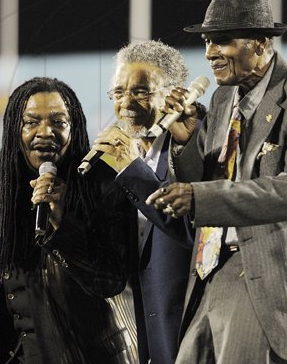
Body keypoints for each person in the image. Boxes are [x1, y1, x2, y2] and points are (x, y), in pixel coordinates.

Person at [146, 0, 287, 363]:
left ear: (260, 42)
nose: (209, 54)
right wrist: (186, 142)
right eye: (206, 41)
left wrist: (200, 197)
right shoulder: (222, 99)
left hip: (269, 276)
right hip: (209, 271)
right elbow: (202, 182)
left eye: (222, 41)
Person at [0, 77, 135, 364]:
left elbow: (111, 281)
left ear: (75, 127)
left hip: (86, 356)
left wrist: (62, 222)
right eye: (32, 122)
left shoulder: (101, 182)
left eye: (59, 122)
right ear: (13, 128)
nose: (45, 132)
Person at [90, 40, 203, 364]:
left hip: (190, 335)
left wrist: (131, 170)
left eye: (140, 91)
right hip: (137, 340)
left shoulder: (199, 147)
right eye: (118, 92)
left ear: (173, 94)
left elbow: (191, 232)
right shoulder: (109, 165)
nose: (126, 103)